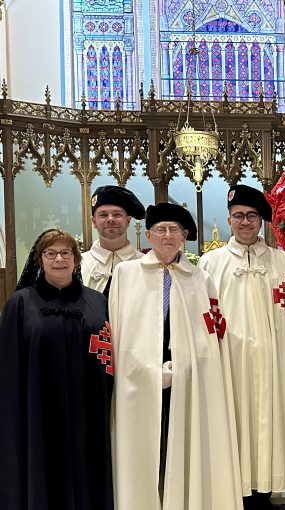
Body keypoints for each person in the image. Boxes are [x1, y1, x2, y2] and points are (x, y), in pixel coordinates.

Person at [109, 203, 242, 510]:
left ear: (184, 237)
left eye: (175, 230)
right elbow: (118, 328)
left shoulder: (198, 278)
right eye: (161, 230)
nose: (167, 236)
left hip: (187, 376)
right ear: (149, 235)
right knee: (142, 447)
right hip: (138, 378)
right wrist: (142, 367)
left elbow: (211, 332)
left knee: (180, 443)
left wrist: (190, 363)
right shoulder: (126, 274)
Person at [198, 184, 285, 509]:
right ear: (229, 219)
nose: (245, 222)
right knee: (233, 427)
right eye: (238, 216)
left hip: (273, 365)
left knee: (270, 429)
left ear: (261, 220)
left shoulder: (282, 262)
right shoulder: (211, 263)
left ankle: (266, 493)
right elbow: (205, 317)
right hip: (229, 367)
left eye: (251, 216)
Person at [0, 229, 113, 510]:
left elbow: (109, 355)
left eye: (66, 253)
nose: (59, 259)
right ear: (39, 261)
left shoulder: (98, 302)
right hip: (37, 411)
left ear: (76, 260)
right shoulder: (20, 303)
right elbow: (8, 366)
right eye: (51, 254)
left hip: (89, 410)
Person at [81, 185, 146, 295]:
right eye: (103, 215)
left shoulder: (145, 263)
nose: (110, 219)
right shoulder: (79, 263)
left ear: (128, 220)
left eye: (117, 214)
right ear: (94, 222)